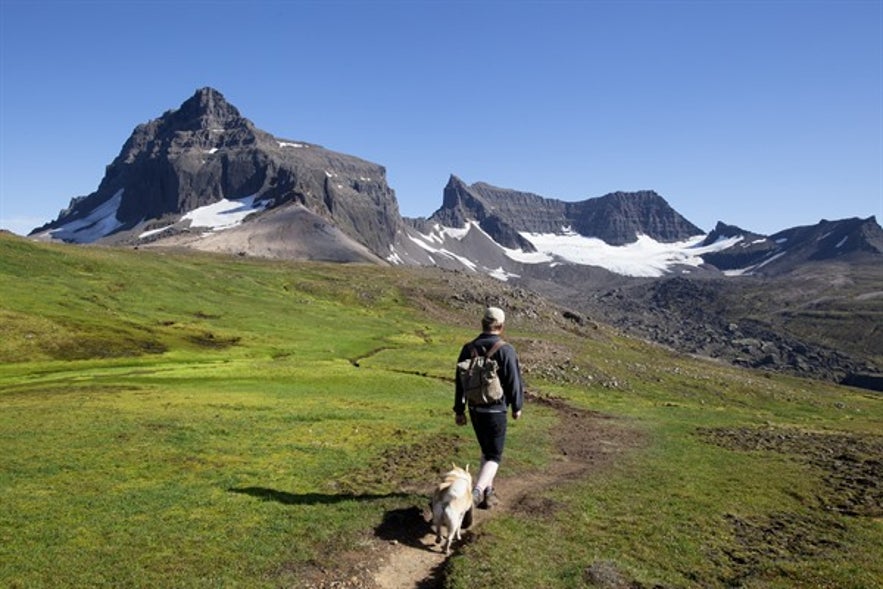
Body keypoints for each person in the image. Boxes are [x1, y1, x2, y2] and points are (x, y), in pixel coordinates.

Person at [454, 306, 524, 509]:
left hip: (475, 409)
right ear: (501, 326)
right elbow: (514, 381)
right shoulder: (506, 349)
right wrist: (517, 406)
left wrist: (459, 409)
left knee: (486, 450)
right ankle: (476, 493)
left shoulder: (468, 348)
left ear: (482, 323)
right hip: (496, 410)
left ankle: (489, 493)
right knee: (494, 456)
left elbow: (460, 381)